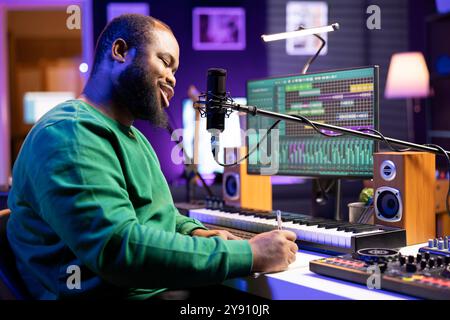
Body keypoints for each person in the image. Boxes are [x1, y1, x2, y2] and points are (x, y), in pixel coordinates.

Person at [6, 14, 298, 300]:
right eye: (165, 61)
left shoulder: (134, 138)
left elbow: (161, 216)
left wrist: (196, 232)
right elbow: (119, 249)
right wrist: (250, 254)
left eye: (175, 70)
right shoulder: (70, 134)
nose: (172, 78)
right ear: (120, 52)